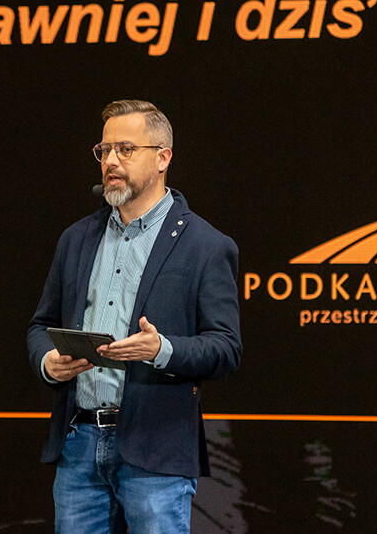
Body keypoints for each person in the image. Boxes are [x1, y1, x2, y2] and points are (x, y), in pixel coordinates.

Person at [27, 100, 242, 534]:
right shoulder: (76, 239)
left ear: (163, 158)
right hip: (79, 444)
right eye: (104, 150)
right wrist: (49, 361)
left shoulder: (205, 245)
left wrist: (161, 349)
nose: (111, 161)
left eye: (126, 149)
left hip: (156, 450)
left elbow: (225, 348)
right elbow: (40, 326)